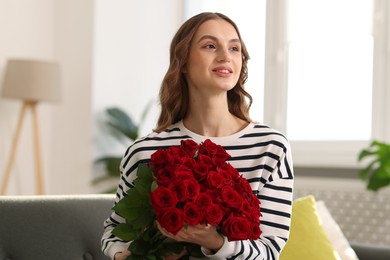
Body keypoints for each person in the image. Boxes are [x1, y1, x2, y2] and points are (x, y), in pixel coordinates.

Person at [101, 12, 294, 260]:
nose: (226, 56)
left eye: (234, 48)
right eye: (210, 46)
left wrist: (214, 242)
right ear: (182, 61)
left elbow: (269, 251)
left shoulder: (270, 147)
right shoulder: (144, 150)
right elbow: (115, 233)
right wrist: (128, 256)